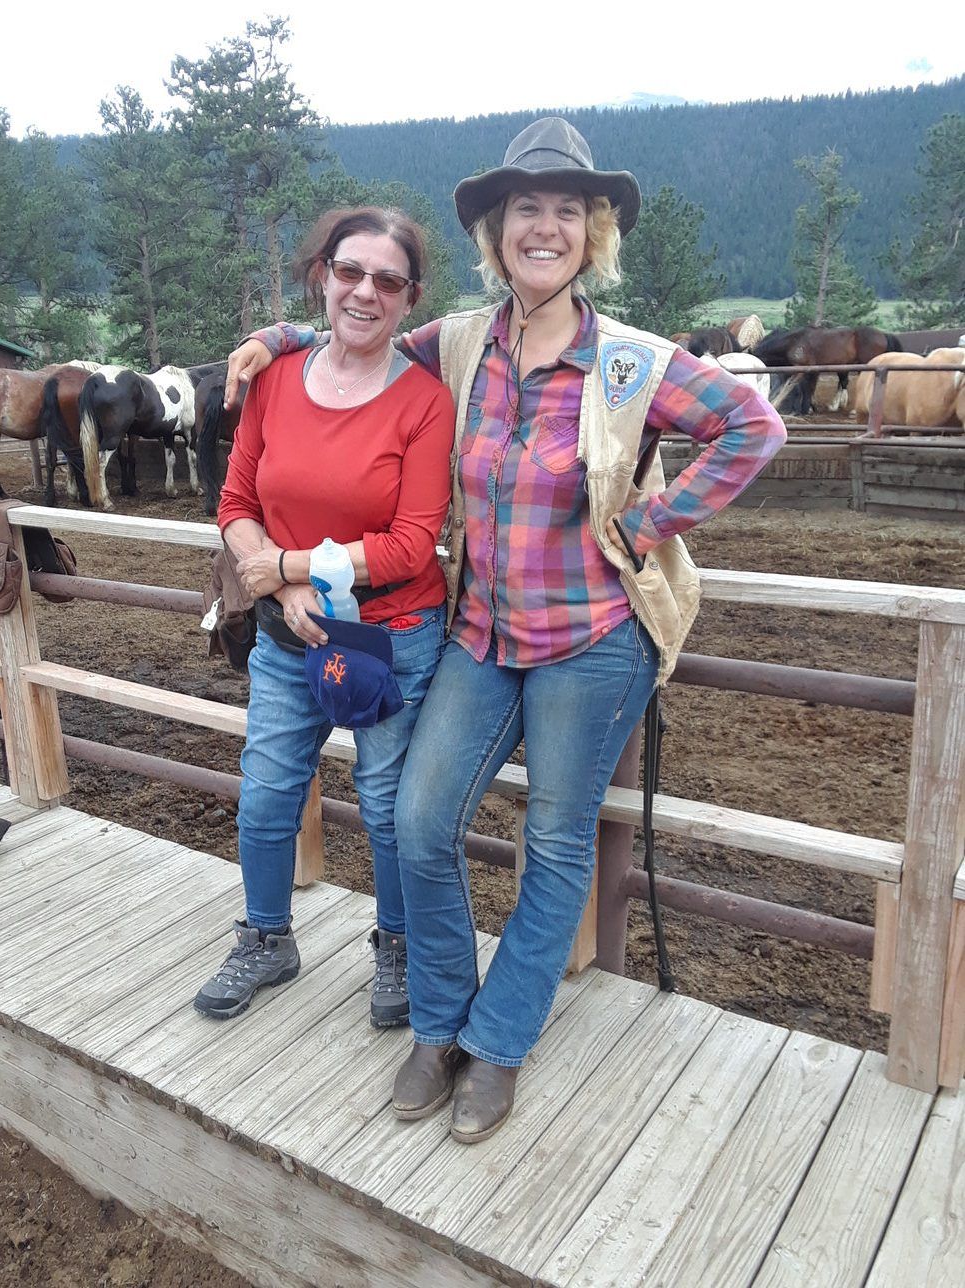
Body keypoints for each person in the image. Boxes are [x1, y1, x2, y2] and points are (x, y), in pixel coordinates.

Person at [225, 118, 787, 1140]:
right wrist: (279, 338)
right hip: (480, 636)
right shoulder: (461, 342)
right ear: (496, 229)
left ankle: (497, 1041)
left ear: (593, 232)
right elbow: (358, 332)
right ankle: (439, 1022)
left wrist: (649, 524)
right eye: (526, 207)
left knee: (557, 844)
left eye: (568, 210)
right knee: (420, 824)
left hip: (594, 641)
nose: (545, 226)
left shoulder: (629, 362)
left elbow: (755, 426)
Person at [194, 206, 455, 1028]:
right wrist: (280, 589)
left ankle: (398, 945)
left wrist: (290, 567)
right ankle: (266, 936)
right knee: (269, 789)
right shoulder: (275, 378)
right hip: (287, 634)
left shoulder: (425, 402)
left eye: (388, 280)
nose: (365, 292)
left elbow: (410, 546)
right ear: (323, 276)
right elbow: (235, 504)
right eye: (350, 272)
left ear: (409, 299)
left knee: (386, 801)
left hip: (391, 634)